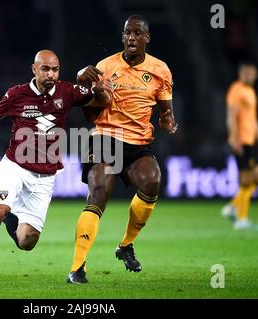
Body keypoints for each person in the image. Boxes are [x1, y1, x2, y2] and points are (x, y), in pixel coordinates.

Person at [0, 49, 112, 285]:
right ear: (34, 69)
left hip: (45, 177)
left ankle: (10, 216)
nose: (51, 74)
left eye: (55, 69)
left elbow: (102, 101)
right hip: (15, 166)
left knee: (26, 242)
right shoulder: (16, 94)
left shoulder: (67, 91)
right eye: (45, 69)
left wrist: (97, 86)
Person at [66, 15, 178, 284]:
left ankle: (126, 245)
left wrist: (168, 120)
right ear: (122, 37)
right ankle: (77, 268)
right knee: (99, 193)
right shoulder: (105, 67)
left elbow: (165, 111)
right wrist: (84, 83)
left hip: (138, 142)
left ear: (147, 38)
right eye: (128, 33)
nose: (131, 38)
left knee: (152, 182)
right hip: (105, 137)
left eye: (138, 33)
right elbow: (89, 111)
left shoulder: (160, 70)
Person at [221, 63, 258, 230]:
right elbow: (231, 116)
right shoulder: (236, 90)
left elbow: (253, 119)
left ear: (256, 75)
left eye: (252, 74)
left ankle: (232, 207)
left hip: (251, 141)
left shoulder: (250, 91)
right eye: (246, 73)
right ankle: (241, 219)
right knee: (248, 180)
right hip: (242, 141)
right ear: (240, 74)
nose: (249, 76)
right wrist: (234, 138)